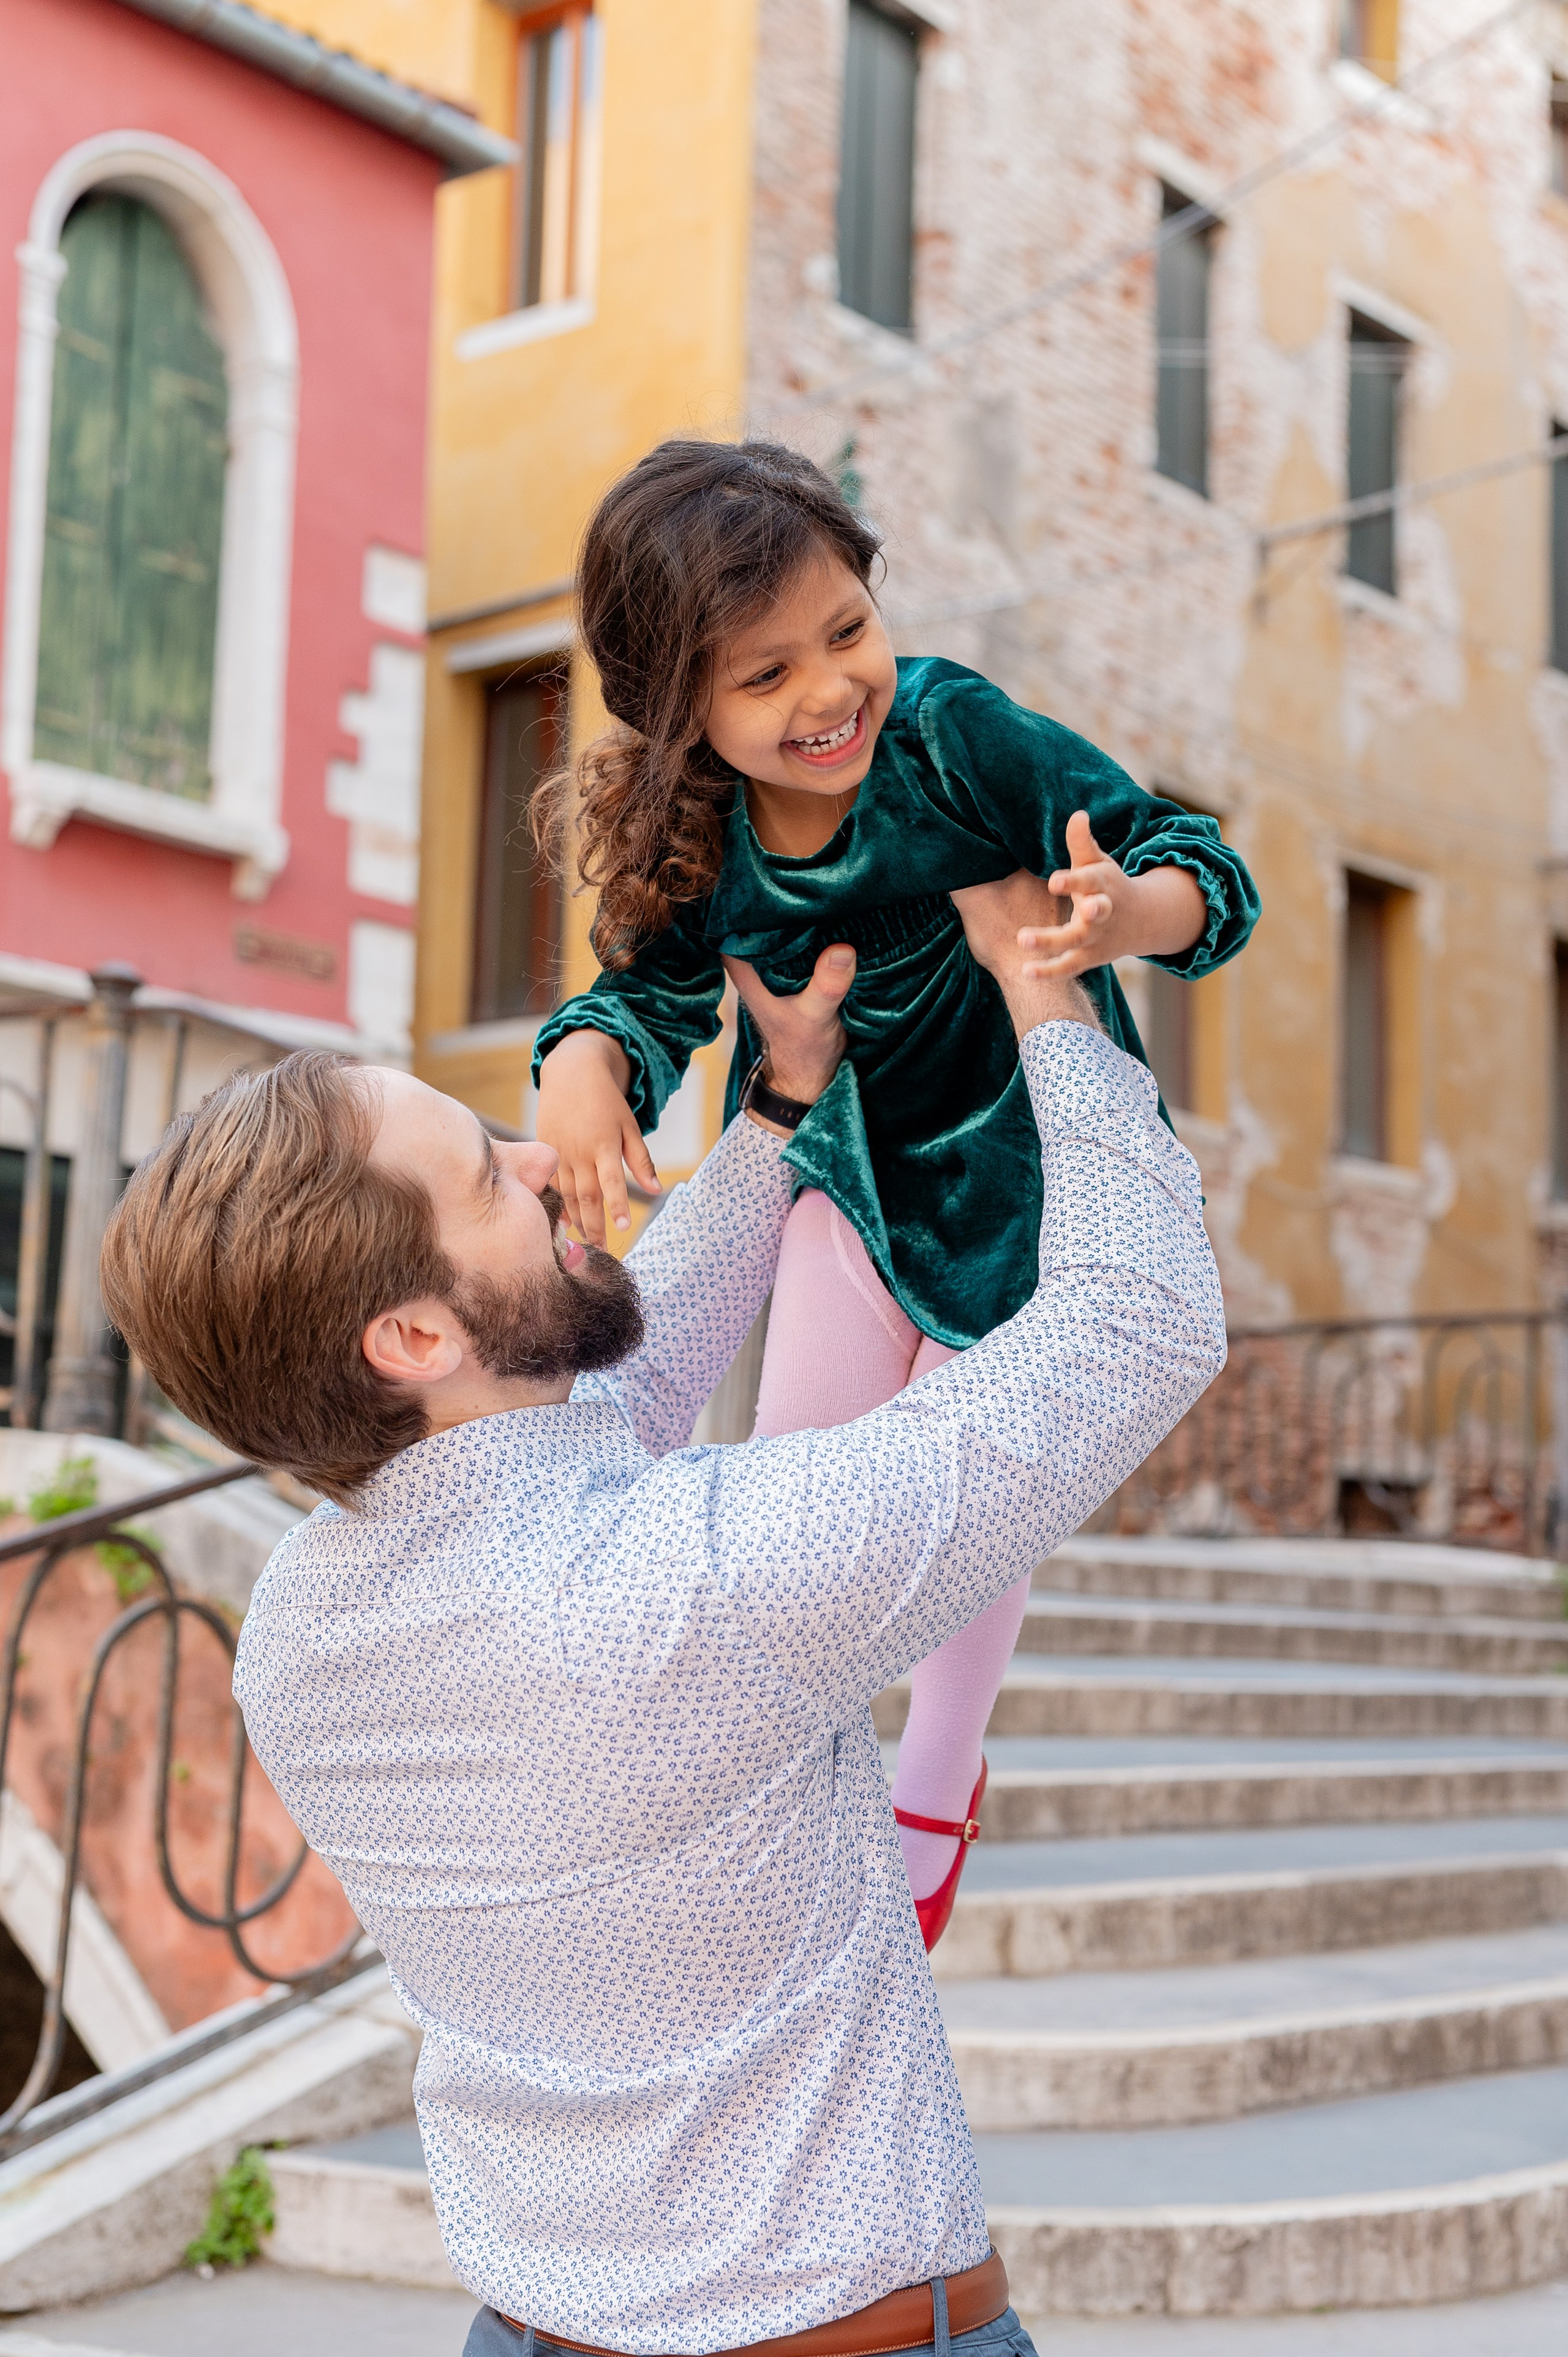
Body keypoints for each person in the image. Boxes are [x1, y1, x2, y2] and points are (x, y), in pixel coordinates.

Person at [99, 876, 1225, 2357]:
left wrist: (777, 1106)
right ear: (415, 1336)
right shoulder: (694, 1589)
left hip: (535, 2323)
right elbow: (1142, 1321)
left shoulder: (299, 1627)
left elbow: (592, 1407)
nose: (537, 1160)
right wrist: (1046, 1000)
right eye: (487, 1176)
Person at [532, 437, 1260, 1942]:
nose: (826, 692)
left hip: (1022, 1178)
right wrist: (584, 1067)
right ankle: (788, 1780)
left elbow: (1199, 868)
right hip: (841, 1186)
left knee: (973, 1485)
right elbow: (641, 1001)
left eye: (846, 633)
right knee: (801, 1488)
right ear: (679, 714)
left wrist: (1121, 913)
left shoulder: (944, 734)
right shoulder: (706, 838)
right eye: (763, 674)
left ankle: (938, 1768)